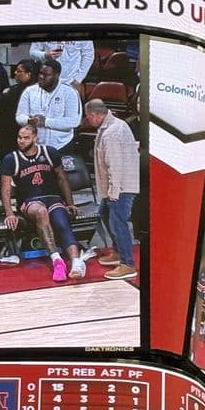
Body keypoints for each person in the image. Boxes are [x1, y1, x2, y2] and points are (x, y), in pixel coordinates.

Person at [0, 124, 85, 282]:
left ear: (35, 138)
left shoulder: (50, 152)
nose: (21, 141)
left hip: (53, 198)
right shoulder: (11, 159)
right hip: (29, 201)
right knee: (41, 212)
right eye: (19, 137)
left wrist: (70, 202)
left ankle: (76, 262)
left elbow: (62, 178)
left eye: (26, 138)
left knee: (61, 221)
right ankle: (57, 260)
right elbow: (5, 189)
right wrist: (9, 213)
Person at [84, 98, 139, 280]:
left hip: (120, 186)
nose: (87, 120)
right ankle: (118, 252)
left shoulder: (112, 133)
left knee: (118, 222)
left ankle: (127, 264)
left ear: (94, 114)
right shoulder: (112, 126)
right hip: (116, 185)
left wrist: (114, 192)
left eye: (87, 116)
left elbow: (114, 165)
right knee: (106, 214)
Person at [15, 59, 81, 151]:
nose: (41, 77)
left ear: (56, 75)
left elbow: (73, 121)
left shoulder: (70, 93)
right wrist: (29, 120)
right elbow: (19, 116)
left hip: (62, 146)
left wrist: (46, 122)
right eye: (40, 73)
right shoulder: (29, 91)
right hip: (35, 146)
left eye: (46, 75)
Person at [0, 58, 38, 159]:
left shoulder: (34, 91)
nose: (15, 73)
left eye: (19, 71)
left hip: (21, 136)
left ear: (29, 74)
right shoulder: (12, 90)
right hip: (8, 137)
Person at [29, 40, 94, 90]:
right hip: (48, 82)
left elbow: (88, 56)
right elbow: (32, 52)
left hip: (71, 83)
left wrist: (78, 79)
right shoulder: (45, 27)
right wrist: (45, 55)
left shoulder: (80, 30)